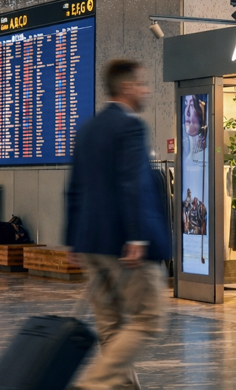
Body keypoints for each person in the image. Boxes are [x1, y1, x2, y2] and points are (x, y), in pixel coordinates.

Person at [67, 59, 170, 390]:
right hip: (121, 243)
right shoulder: (130, 126)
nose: (146, 90)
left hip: (90, 243)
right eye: (141, 84)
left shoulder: (87, 129)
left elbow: (74, 187)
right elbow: (132, 183)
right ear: (126, 87)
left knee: (110, 324)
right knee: (149, 318)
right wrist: (137, 237)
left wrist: (72, 241)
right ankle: (95, 383)